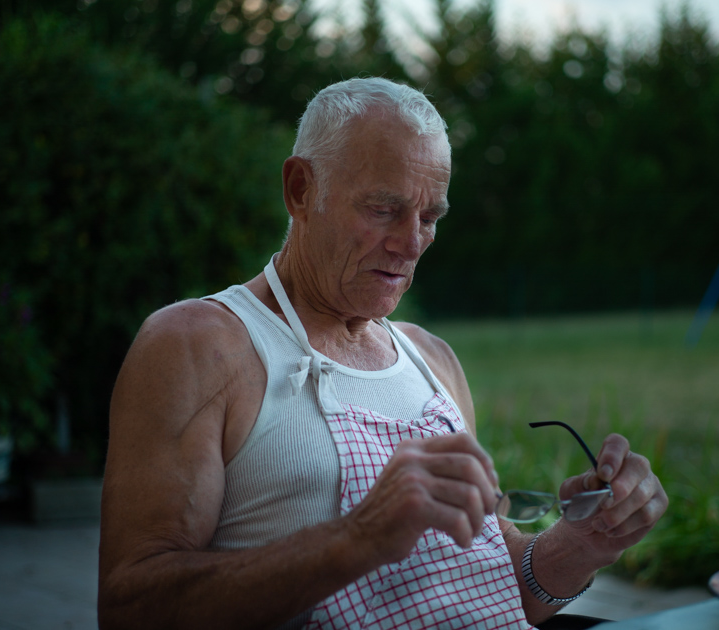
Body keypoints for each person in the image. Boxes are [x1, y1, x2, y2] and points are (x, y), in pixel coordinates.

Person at [98, 77, 668, 630]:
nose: (411, 243)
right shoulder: (198, 345)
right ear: (300, 190)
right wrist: (359, 538)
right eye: (383, 209)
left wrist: (585, 543)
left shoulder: (432, 359)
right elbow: (131, 609)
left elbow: (486, 588)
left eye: (430, 218)